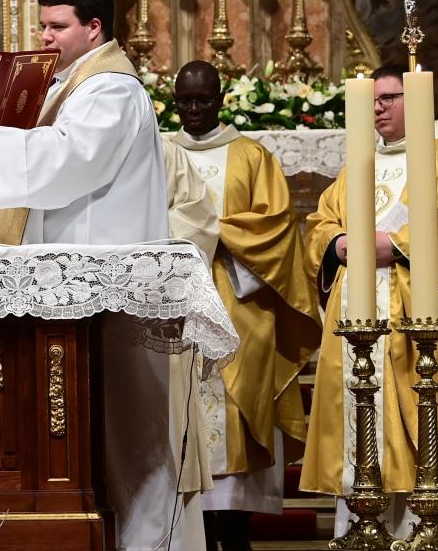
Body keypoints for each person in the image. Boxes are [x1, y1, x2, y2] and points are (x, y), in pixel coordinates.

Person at [0, 0, 203, 551]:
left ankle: (151, 543)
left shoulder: (112, 89)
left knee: (129, 428)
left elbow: (73, 159)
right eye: (44, 25)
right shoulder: (70, 83)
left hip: (107, 280)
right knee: (87, 428)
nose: (46, 37)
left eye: (58, 27)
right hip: (72, 282)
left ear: (93, 26)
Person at [301, 64, 438, 541]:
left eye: (389, 97)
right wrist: (338, 243)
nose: (377, 107)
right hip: (359, 317)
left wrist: (399, 244)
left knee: (421, 426)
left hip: (416, 316)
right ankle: (364, 529)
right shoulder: (360, 160)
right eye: (373, 100)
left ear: (419, 100)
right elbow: (322, 219)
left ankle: (429, 529)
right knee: (361, 427)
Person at [170, 61, 323, 551]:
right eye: (185, 101)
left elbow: (276, 228)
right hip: (174, 307)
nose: (194, 110)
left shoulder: (252, 156)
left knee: (235, 416)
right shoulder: (160, 151)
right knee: (180, 413)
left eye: (203, 100)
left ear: (220, 100)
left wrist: (207, 231)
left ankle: (236, 536)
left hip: (239, 305)